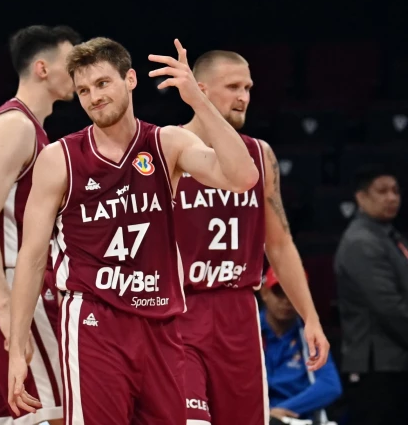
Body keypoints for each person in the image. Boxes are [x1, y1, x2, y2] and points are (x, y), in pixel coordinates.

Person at [7, 37, 259, 424]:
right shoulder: (59, 158)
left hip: (162, 323)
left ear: (130, 80)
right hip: (94, 319)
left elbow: (243, 178)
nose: (93, 97)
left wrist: (198, 101)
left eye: (103, 84)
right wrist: (17, 345)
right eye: (84, 90)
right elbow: (32, 255)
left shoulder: (166, 143)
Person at [174, 50, 329, 425]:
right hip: (179, 312)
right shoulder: (167, 148)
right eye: (232, 87)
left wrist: (310, 317)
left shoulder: (260, 155)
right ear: (200, 90)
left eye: (248, 87)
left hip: (239, 312)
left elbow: (278, 244)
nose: (243, 96)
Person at [0, 24, 81, 425]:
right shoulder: (16, 126)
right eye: (72, 63)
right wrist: (5, 305)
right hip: (15, 287)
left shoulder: (27, 127)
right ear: (43, 68)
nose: (79, 74)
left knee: (0, 418)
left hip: (1, 286)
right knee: (55, 414)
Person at [334, 165, 407, 425]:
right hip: (376, 367)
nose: (391, 197)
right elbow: (389, 308)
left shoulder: (389, 236)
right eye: (382, 191)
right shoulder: (361, 242)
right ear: (361, 197)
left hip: (395, 362)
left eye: (396, 191)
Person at [260, 267, 342, 423]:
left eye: (292, 293)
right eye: (278, 292)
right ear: (264, 293)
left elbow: (331, 385)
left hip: (296, 418)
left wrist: (280, 411)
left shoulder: (311, 335)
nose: (286, 300)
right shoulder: (245, 332)